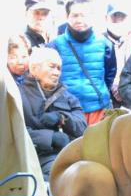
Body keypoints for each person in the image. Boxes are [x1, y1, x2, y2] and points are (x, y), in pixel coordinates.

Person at [20, 47, 86, 181]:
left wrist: (63, 118)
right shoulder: (18, 95)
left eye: (59, 68)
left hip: (70, 154)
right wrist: (50, 138)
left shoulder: (68, 97)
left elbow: (83, 128)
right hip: (36, 157)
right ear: (34, 68)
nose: (56, 72)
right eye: (51, 67)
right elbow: (16, 133)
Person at [48, 0, 116, 125]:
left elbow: (109, 76)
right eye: (74, 15)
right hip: (67, 112)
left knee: (98, 144)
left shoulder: (106, 45)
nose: (79, 20)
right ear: (67, 16)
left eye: (84, 15)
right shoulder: (55, 45)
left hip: (98, 109)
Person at [103, 2, 131, 108]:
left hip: (129, 98)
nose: (118, 21)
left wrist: (124, 86)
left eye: (122, 18)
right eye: (114, 17)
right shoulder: (99, 42)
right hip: (105, 98)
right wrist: (112, 85)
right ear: (106, 18)